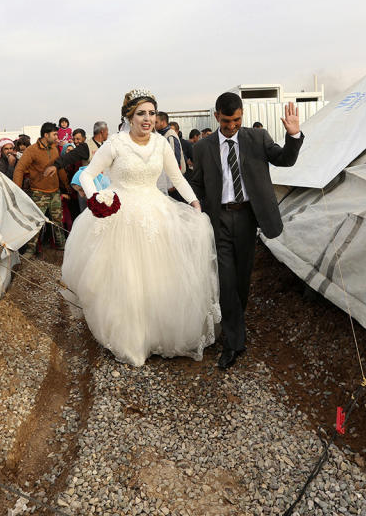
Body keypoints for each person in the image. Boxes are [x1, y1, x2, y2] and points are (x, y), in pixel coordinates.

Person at [62, 89, 220, 366]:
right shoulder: (115, 144)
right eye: (141, 114)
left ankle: (158, 334)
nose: (148, 119)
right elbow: (87, 174)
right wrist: (96, 197)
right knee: (127, 279)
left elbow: (177, 178)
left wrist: (194, 202)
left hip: (155, 212)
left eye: (152, 113)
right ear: (129, 116)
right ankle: (131, 339)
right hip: (121, 214)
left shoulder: (161, 144)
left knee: (158, 276)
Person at [189, 92, 303, 369]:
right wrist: (197, 208)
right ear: (216, 117)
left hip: (248, 219)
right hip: (220, 220)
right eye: (227, 121)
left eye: (237, 120)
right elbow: (198, 184)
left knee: (241, 280)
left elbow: (285, 160)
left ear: (243, 115)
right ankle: (233, 343)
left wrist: (294, 135)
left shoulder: (256, 138)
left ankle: (235, 322)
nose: (232, 126)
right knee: (226, 281)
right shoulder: (203, 148)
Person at [13, 122, 67, 250]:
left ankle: (62, 246)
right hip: (39, 192)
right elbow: (19, 169)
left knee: (58, 221)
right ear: (45, 134)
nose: (56, 137)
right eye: (54, 134)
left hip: (55, 191)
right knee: (36, 222)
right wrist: (16, 189)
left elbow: (59, 168)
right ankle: (30, 250)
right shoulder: (31, 150)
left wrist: (66, 185)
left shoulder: (54, 148)